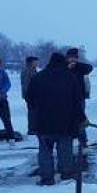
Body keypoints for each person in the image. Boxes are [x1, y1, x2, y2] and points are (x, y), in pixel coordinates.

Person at [25, 52, 84, 186]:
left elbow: (29, 99)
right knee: (65, 151)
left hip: (43, 122)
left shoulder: (38, 77)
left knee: (45, 152)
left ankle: (47, 178)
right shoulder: (70, 77)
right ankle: (67, 175)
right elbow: (77, 101)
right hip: (66, 123)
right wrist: (82, 118)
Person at [66, 48, 93, 148]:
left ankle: (83, 141)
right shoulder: (63, 67)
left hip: (79, 97)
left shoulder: (80, 68)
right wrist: (67, 67)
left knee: (81, 118)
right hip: (66, 98)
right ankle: (69, 139)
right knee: (68, 119)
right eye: (71, 58)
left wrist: (77, 64)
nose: (73, 60)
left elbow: (89, 68)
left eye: (75, 58)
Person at [21, 56, 39, 135]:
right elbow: (25, 84)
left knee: (35, 112)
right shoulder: (26, 71)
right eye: (35, 62)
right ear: (30, 62)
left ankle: (35, 127)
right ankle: (31, 129)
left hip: (35, 95)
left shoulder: (34, 70)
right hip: (30, 95)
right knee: (32, 112)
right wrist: (28, 95)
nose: (37, 63)